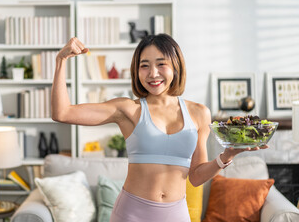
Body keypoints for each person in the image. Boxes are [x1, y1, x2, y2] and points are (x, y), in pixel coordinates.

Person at [51, 34, 268, 222]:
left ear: (176, 66)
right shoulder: (127, 109)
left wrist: (226, 156)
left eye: (161, 64)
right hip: (130, 214)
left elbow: (196, 176)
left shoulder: (199, 113)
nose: (153, 73)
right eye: (144, 65)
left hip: (176, 215)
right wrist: (61, 60)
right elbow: (62, 113)